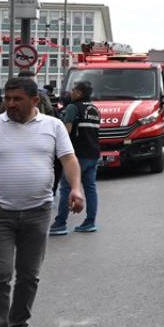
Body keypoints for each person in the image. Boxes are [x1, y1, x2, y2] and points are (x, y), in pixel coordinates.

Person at [0, 76, 84, 327]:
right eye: (8, 98)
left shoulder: (53, 126)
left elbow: (69, 160)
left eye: (17, 99)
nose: (10, 104)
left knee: (29, 276)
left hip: (37, 212)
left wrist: (76, 188)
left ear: (34, 100)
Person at [50, 80, 100, 235]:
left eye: (73, 90)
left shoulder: (73, 107)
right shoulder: (95, 109)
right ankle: (90, 222)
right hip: (93, 154)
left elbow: (66, 132)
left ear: (79, 92)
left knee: (66, 188)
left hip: (77, 155)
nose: (71, 93)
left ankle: (60, 223)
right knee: (90, 188)